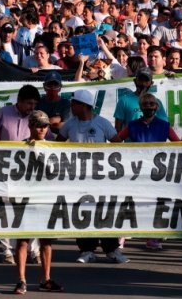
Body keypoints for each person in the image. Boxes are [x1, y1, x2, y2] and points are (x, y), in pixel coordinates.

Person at [56, 89, 128, 264]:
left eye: (74, 104)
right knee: (83, 213)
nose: (71, 106)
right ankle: (87, 250)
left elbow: (117, 144)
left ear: (84, 106)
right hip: (78, 179)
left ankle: (112, 249)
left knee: (105, 212)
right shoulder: (69, 125)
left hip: (101, 179)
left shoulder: (103, 123)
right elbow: (57, 144)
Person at [0, 84, 45, 264]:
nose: (32, 107)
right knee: (6, 211)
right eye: (28, 103)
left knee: (32, 210)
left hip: (31, 172)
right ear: (19, 101)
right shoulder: (2, 113)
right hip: (5, 170)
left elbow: (49, 141)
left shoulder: (38, 117)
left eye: (34, 103)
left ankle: (34, 251)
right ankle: (7, 251)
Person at [117, 92, 180, 250]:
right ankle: (122, 235)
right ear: (140, 107)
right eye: (145, 105)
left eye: (151, 104)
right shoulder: (132, 125)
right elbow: (115, 140)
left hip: (158, 172)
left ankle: (153, 237)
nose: (148, 107)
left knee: (156, 204)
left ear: (157, 107)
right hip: (136, 170)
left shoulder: (165, 126)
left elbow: (179, 144)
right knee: (130, 202)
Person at [13, 110, 64, 294]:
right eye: (39, 125)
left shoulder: (53, 147)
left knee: (46, 241)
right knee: (23, 241)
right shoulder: (21, 146)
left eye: (45, 125)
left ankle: (46, 278)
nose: (42, 129)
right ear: (31, 126)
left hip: (46, 198)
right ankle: (21, 280)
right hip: (26, 197)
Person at [113, 67, 168, 133]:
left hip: (152, 142)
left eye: (146, 80)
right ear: (135, 81)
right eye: (141, 80)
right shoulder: (124, 101)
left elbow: (164, 126)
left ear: (151, 83)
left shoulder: (157, 102)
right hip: (131, 143)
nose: (143, 84)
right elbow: (118, 129)